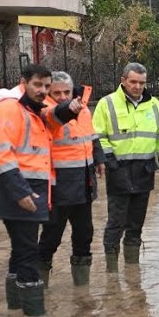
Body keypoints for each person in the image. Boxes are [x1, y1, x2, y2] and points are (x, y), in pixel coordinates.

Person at [0, 63, 84, 317]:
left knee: (20, 248)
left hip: (25, 188)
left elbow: (51, 118)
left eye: (47, 86)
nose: (43, 90)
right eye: (38, 85)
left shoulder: (33, 110)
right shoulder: (8, 110)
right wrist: (20, 192)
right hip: (16, 189)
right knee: (28, 251)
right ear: (23, 82)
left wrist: (69, 110)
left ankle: (16, 309)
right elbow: (0, 153)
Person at [91, 62, 159, 273]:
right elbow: (97, 136)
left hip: (144, 171)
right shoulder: (107, 103)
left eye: (141, 82)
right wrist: (109, 161)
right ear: (123, 81)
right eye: (133, 82)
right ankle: (112, 272)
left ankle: (132, 270)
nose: (137, 86)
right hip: (118, 169)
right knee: (116, 222)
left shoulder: (154, 105)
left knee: (136, 223)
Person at [37, 71, 102, 289]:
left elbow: (91, 136)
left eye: (66, 92)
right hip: (58, 188)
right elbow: (56, 116)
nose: (62, 96)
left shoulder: (83, 109)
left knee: (85, 235)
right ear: (48, 92)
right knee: (51, 238)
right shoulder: (43, 109)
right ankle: (38, 285)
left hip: (84, 183)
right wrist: (68, 108)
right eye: (57, 92)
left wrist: (100, 159)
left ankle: (82, 291)